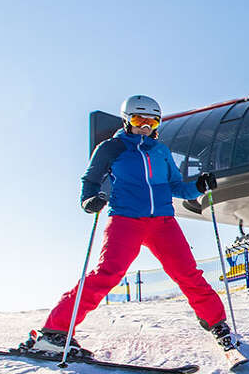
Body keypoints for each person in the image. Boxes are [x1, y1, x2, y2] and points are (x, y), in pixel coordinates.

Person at [23, 95, 238, 355]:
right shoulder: (111, 148)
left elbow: (175, 187)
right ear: (127, 120)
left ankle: (216, 323)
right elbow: (90, 181)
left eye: (151, 121)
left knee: (187, 273)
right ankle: (55, 332)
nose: (145, 127)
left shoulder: (161, 151)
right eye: (138, 120)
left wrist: (198, 186)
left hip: (162, 222)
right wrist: (88, 201)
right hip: (125, 219)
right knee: (107, 274)